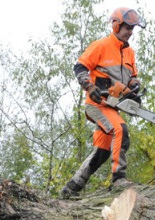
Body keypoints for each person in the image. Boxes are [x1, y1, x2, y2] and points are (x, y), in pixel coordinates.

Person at [61, 7, 146, 198]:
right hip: (97, 104)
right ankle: (119, 179)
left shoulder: (130, 52)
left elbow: (131, 78)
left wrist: (133, 87)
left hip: (113, 105)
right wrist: (89, 87)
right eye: (127, 28)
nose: (130, 32)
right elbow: (80, 66)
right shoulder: (101, 45)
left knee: (102, 151)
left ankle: (71, 188)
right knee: (120, 130)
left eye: (132, 29)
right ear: (116, 25)